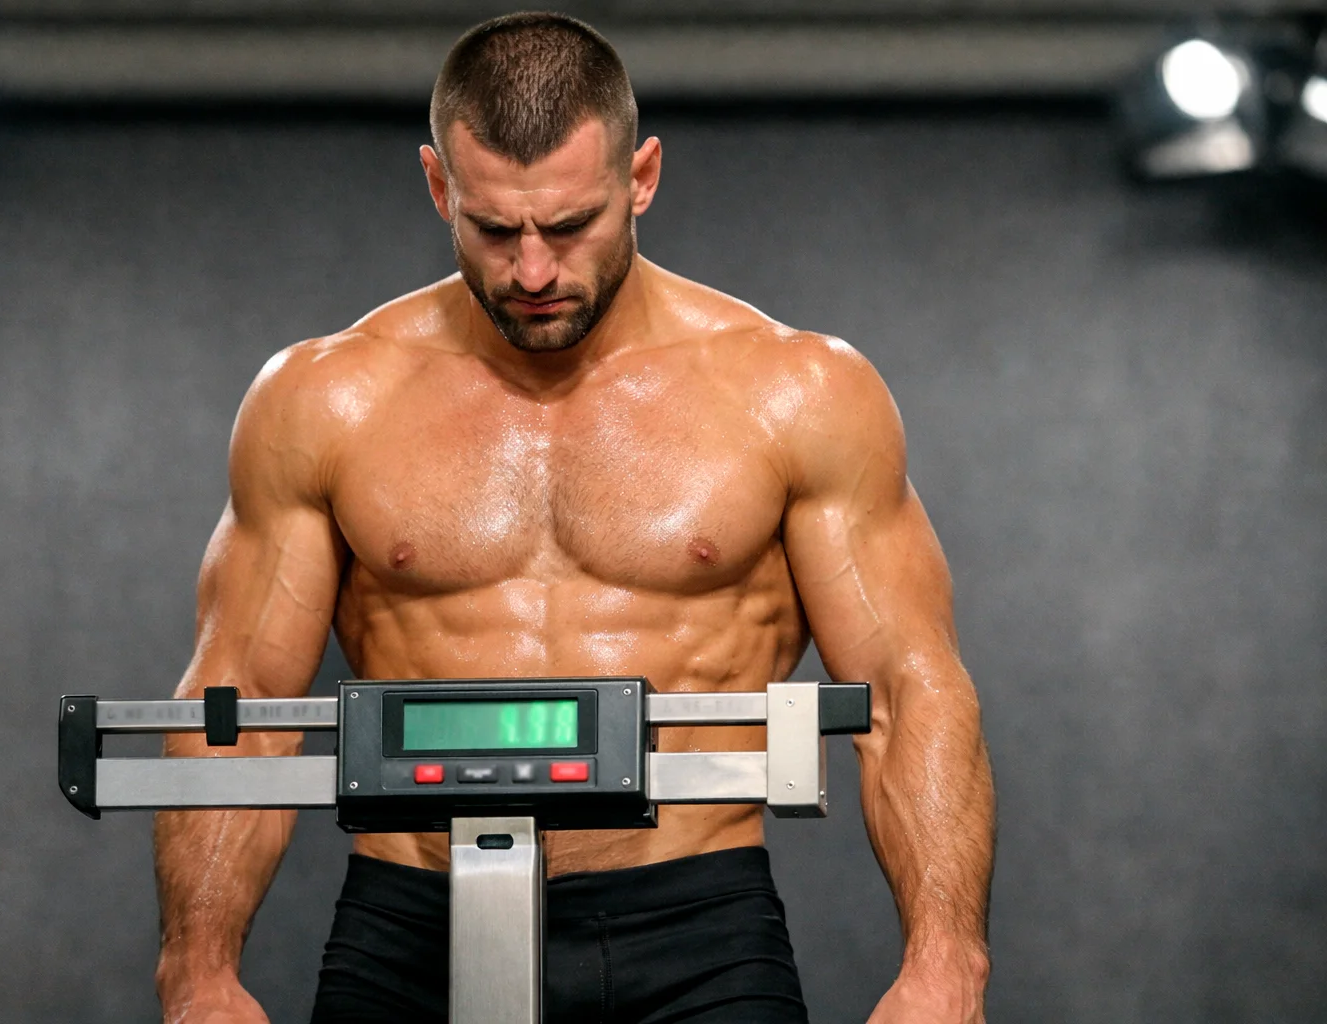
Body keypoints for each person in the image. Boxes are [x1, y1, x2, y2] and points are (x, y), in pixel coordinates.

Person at [152, 11, 994, 1024]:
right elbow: (236, 702)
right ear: (439, 188)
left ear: (640, 179)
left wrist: (946, 965)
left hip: (695, 928)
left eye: (570, 223)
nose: (535, 270)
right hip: (411, 923)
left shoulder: (794, 391)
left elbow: (911, 687)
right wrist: (197, 970)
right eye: (496, 229)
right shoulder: (328, 399)